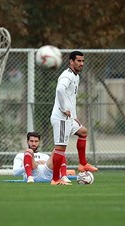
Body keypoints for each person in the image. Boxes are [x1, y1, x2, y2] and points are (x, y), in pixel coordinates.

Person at [50, 50, 98, 186]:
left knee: (83, 132)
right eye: (79, 61)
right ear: (71, 61)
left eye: (83, 61)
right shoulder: (67, 75)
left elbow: (71, 98)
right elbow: (60, 90)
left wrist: (74, 116)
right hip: (61, 118)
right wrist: (64, 109)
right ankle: (55, 179)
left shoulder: (76, 76)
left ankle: (83, 164)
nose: (81, 63)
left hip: (69, 118)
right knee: (60, 149)